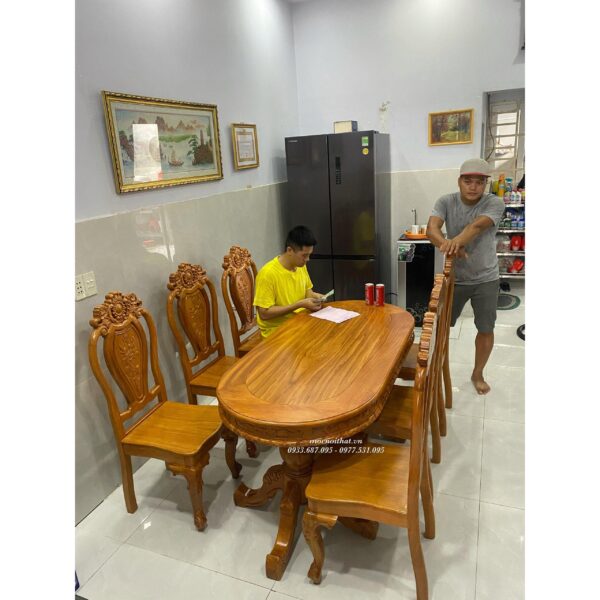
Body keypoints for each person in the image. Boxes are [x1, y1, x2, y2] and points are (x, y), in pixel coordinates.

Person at [426, 158, 505, 395]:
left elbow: (476, 227)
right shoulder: (446, 201)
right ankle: (435, 368)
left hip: (486, 278)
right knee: (441, 327)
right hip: (455, 278)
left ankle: (477, 373)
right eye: (468, 181)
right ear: (459, 181)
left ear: (486, 184)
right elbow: (432, 229)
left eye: (479, 182)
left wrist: (453, 243)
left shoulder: (494, 202)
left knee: (486, 328)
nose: (473, 187)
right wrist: (449, 246)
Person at [253, 225, 325, 338]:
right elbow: (264, 314)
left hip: (300, 322)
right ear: (290, 250)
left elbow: (308, 292)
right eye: (304, 255)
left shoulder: (300, 266)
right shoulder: (267, 274)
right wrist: (298, 305)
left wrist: (316, 298)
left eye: (309, 255)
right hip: (277, 331)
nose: (307, 259)